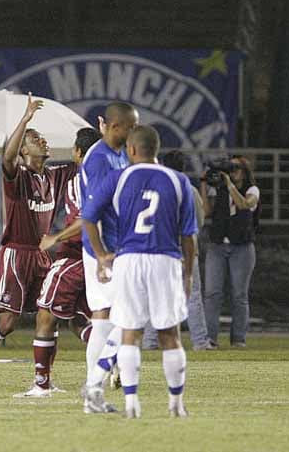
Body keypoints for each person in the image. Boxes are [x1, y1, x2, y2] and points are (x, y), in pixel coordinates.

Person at [0, 94, 74, 391]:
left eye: (41, 137)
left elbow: (85, 162)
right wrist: (25, 120)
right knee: (8, 323)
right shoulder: (17, 176)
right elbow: (7, 158)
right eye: (35, 139)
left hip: (42, 256)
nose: (43, 141)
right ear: (23, 149)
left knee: (51, 315)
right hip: (16, 254)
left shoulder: (55, 176)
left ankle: (43, 380)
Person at [82, 125, 197, 419]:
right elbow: (189, 237)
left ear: (131, 149)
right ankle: (176, 404)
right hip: (165, 260)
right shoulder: (179, 180)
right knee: (169, 334)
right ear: (156, 149)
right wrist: (188, 275)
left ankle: (130, 402)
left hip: (129, 258)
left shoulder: (119, 177)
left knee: (128, 330)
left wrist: (101, 255)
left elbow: (88, 216)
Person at [14, 126, 102, 397]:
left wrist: (56, 238)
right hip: (105, 259)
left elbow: (85, 217)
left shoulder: (80, 177)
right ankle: (113, 357)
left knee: (45, 315)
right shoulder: (113, 173)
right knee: (81, 320)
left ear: (77, 152)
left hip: (76, 255)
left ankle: (41, 384)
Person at [79, 101, 138, 413]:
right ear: (116, 127)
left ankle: (95, 389)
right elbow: (91, 213)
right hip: (104, 249)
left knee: (111, 315)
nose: (134, 132)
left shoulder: (118, 155)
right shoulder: (100, 158)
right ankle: (93, 388)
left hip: (117, 246)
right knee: (120, 315)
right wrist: (100, 255)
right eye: (131, 126)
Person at [142, 150, 211, 350]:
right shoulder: (189, 189)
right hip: (184, 249)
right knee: (192, 296)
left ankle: (150, 340)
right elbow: (198, 222)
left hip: (159, 248)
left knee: (155, 295)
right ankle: (200, 341)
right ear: (183, 167)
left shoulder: (154, 187)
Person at [201, 155, 260, 348]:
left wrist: (229, 186)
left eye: (236, 169)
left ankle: (238, 339)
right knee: (212, 293)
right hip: (218, 244)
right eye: (230, 169)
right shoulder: (219, 188)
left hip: (241, 246)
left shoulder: (252, 190)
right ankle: (210, 338)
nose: (232, 173)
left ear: (244, 172)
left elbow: (244, 204)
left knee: (239, 295)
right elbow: (206, 211)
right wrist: (204, 183)